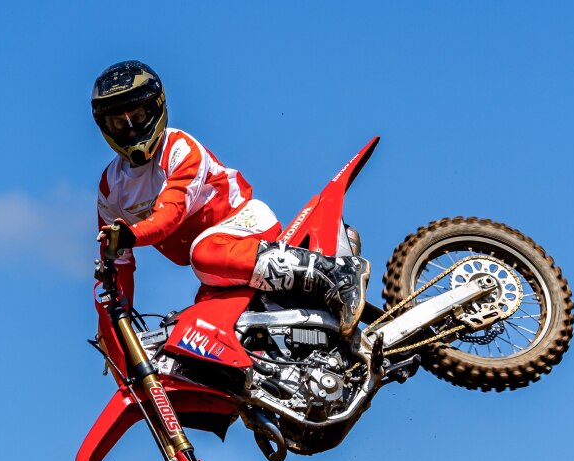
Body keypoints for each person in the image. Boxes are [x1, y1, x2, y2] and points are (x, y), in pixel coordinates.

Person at [91, 60, 369, 335]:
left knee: (204, 252)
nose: (130, 130)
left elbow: (170, 213)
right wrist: (113, 335)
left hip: (242, 225)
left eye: (137, 117)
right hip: (216, 267)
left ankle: (336, 273)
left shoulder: (180, 148)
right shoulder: (109, 188)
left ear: (156, 108)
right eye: (118, 123)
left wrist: (132, 233)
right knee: (196, 329)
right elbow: (116, 270)